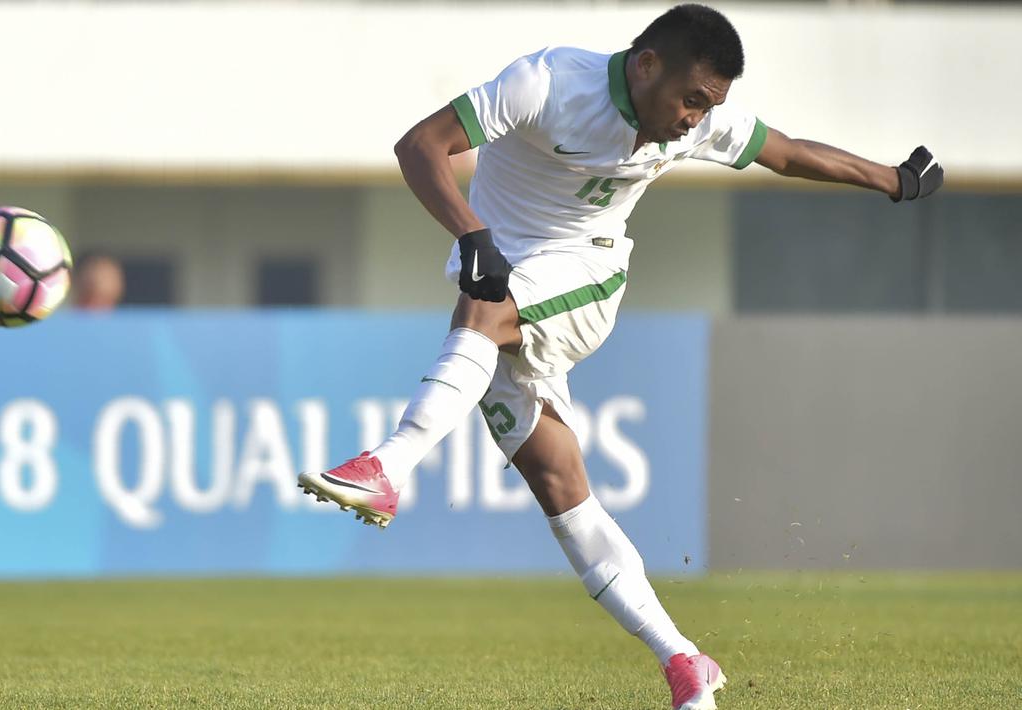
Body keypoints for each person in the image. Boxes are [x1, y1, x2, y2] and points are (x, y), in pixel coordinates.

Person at [298, 4, 943, 709]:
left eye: (709, 105)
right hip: (502, 276)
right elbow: (419, 146)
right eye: (690, 98)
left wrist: (892, 178)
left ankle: (386, 468)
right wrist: (472, 233)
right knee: (558, 484)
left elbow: (784, 152)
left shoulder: (695, 123)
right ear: (644, 66)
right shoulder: (545, 84)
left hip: (586, 278)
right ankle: (685, 663)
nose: (696, 117)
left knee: (483, 307)